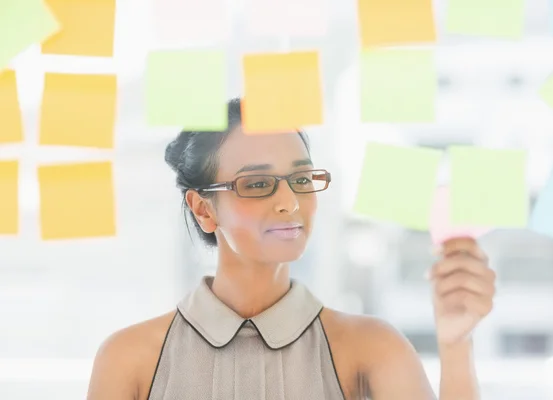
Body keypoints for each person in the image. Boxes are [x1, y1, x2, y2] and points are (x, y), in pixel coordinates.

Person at [87, 98, 496, 400]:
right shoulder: (130, 358)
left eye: (301, 179)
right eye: (257, 184)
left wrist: (456, 345)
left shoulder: (373, 348)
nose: (289, 202)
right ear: (203, 208)